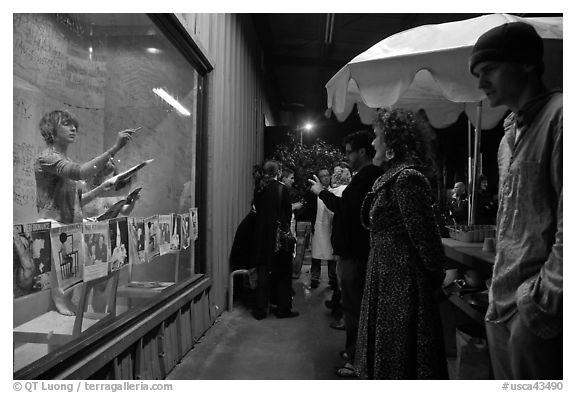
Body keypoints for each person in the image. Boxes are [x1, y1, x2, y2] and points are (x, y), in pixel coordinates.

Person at [469, 22, 562, 379]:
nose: (481, 83)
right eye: (478, 73)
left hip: (536, 315)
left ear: (525, 63)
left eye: (488, 69)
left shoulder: (560, 117)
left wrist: (537, 306)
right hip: (502, 303)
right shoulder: (512, 131)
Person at [354, 108, 447, 379]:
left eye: (377, 136)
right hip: (385, 278)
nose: (373, 143)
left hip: (402, 286)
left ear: (393, 144)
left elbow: (427, 242)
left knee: (398, 357)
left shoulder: (408, 179)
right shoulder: (391, 178)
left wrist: (431, 282)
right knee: (385, 353)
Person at [34, 109, 138, 315]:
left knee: (97, 270)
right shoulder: (47, 158)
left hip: (69, 227)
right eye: (66, 124)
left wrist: (101, 188)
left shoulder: (62, 159)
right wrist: (115, 147)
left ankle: (68, 301)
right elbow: (80, 172)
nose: (73, 128)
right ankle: (61, 300)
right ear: (51, 131)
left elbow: (77, 201)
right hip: (55, 227)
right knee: (72, 280)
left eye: (74, 125)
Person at [308, 131, 383, 377]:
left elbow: (345, 209)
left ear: (362, 151)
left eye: (350, 151)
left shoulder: (367, 177)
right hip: (354, 252)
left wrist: (321, 192)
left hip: (355, 254)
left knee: (354, 308)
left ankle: (356, 359)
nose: (347, 157)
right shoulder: (365, 178)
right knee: (353, 306)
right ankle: (355, 352)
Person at [250, 160, 299, 320]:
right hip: (278, 238)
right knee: (283, 272)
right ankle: (283, 308)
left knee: (263, 272)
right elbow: (287, 211)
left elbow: (256, 210)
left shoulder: (259, 189)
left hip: (260, 237)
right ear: (277, 172)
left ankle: (260, 308)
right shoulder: (281, 189)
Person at [308, 168, 338, 290]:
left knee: (331, 252)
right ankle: (315, 277)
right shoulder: (312, 192)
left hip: (330, 226)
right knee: (316, 252)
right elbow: (309, 209)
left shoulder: (335, 191)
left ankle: (332, 277)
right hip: (318, 226)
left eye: (327, 175)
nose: (326, 177)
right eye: (323, 176)